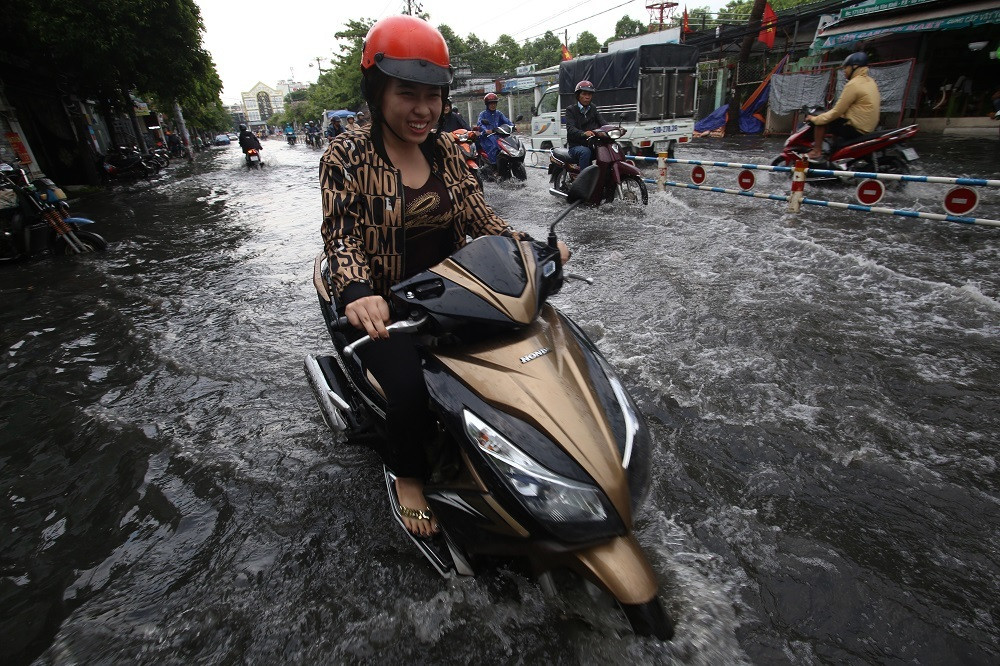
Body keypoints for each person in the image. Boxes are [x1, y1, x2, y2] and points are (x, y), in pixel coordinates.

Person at [319, 15, 570, 537]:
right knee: (410, 388)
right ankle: (408, 477)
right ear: (377, 92)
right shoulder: (345, 156)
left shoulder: (449, 151)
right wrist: (360, 292)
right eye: (407, 93)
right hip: (388, 307)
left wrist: (531, 248)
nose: (423, 109)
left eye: (432, 95)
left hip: (457, 292)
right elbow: (340, 234)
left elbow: (482, 218)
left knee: (533, 347)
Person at [805, 52, 880, 161]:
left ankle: (816, 151)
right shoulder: (871, 82)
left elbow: (837, 111)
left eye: (846, 68)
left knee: (823, 121)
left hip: (856, 128)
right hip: (868, 127)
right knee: (836, 122)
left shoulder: (853, 84)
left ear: (855, 67)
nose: (844, 71)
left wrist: (816, 119)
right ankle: (835, 152)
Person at [565, 80, 606, 170]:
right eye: (584, 94)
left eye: (589, 94)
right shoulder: (571, 110)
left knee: (606, 149)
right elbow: (570, 128)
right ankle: (584, 180)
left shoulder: (593, 108)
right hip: (576, 147)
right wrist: (584, 133)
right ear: (578, 95)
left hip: (592, 144)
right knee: (585, 152)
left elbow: (602, 122)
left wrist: (613, 129)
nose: (587, 97)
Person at [476, 92, 513, 165]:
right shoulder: (483, 114)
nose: (493, 105)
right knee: (494, 146)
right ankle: (494, 165)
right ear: (487, 104)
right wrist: (486, 130)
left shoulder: (498, 113)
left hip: (498, 135)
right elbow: (480, 124)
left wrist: (513, 126)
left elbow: (506, 121)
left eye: (494, 103)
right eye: (491, 103)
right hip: (486, 137)